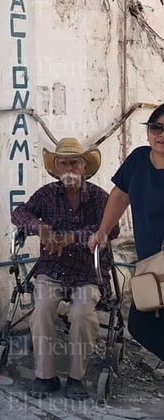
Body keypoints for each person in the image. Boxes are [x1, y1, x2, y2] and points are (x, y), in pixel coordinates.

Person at [11, 137, 119, 400]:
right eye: (63, 163)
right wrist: (40, 227)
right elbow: (19, 214)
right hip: (52, 268)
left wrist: (73, 237)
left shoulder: (98, 197)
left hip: (87, 272)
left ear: (84, 168)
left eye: (74, 163)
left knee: (82, 313)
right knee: (42, 309)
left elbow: (112, 228)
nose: (69, 168)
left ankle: (75, 377)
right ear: (56, 168)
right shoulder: (46, 194)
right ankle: (45, 377)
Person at [92, 104, 164, 362]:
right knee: (142, 325)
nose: (161, 134)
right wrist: (102, 231)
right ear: (148, 132)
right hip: (149, 264)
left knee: (145, 323)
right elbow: (121, 195)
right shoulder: (138, 160)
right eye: (156, 127)